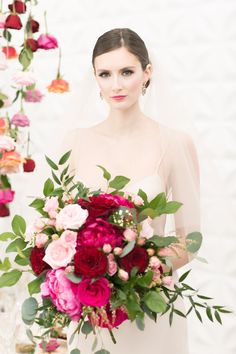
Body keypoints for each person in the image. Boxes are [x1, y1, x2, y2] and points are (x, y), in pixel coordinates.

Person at [63, 28, 200, 354]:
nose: (117, 85)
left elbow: (191, 239)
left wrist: (135, 274)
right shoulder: (75, 142)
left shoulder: (175, 143)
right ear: (94, 77)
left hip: (150, 307)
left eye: (127, 72)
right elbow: (64, 227)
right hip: (91, 309)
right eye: (105, 74)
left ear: (146, 72)